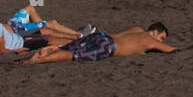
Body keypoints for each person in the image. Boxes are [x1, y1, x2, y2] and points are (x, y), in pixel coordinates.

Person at [19, 23, 179, 65]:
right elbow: (172, 51)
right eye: (162, 37)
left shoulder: (136, 29)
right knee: (73, 55)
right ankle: (39, 60)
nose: (160, 41)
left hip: (101, 36)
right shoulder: (151, 41)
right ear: (155, 32)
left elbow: (114, 35)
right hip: (108, 47)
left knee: (69, 47)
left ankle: (50, 50)